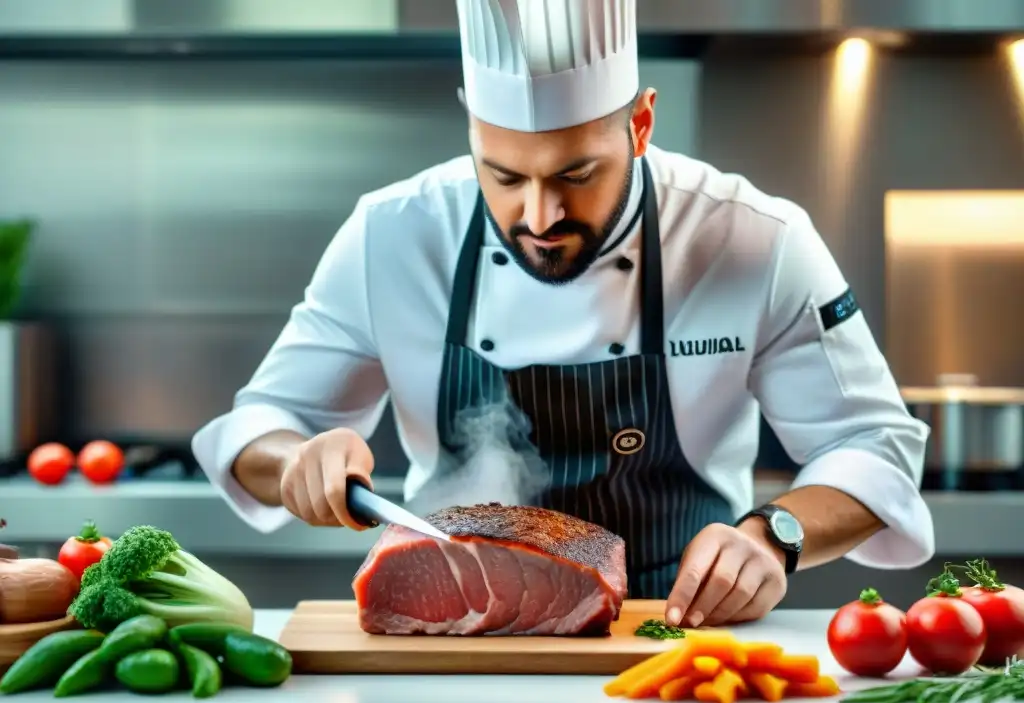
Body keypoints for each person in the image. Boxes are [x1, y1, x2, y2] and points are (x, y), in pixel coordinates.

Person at [192, 0, 934, 629]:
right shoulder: (392, 234)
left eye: (576, 174)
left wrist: (776, 535)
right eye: (504, 176)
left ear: (641, 126)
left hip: (675, 635)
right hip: (445, 638)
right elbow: (259, 427)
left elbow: (874, 446)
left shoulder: (752, 238)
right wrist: (297, 460)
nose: (539, 216)